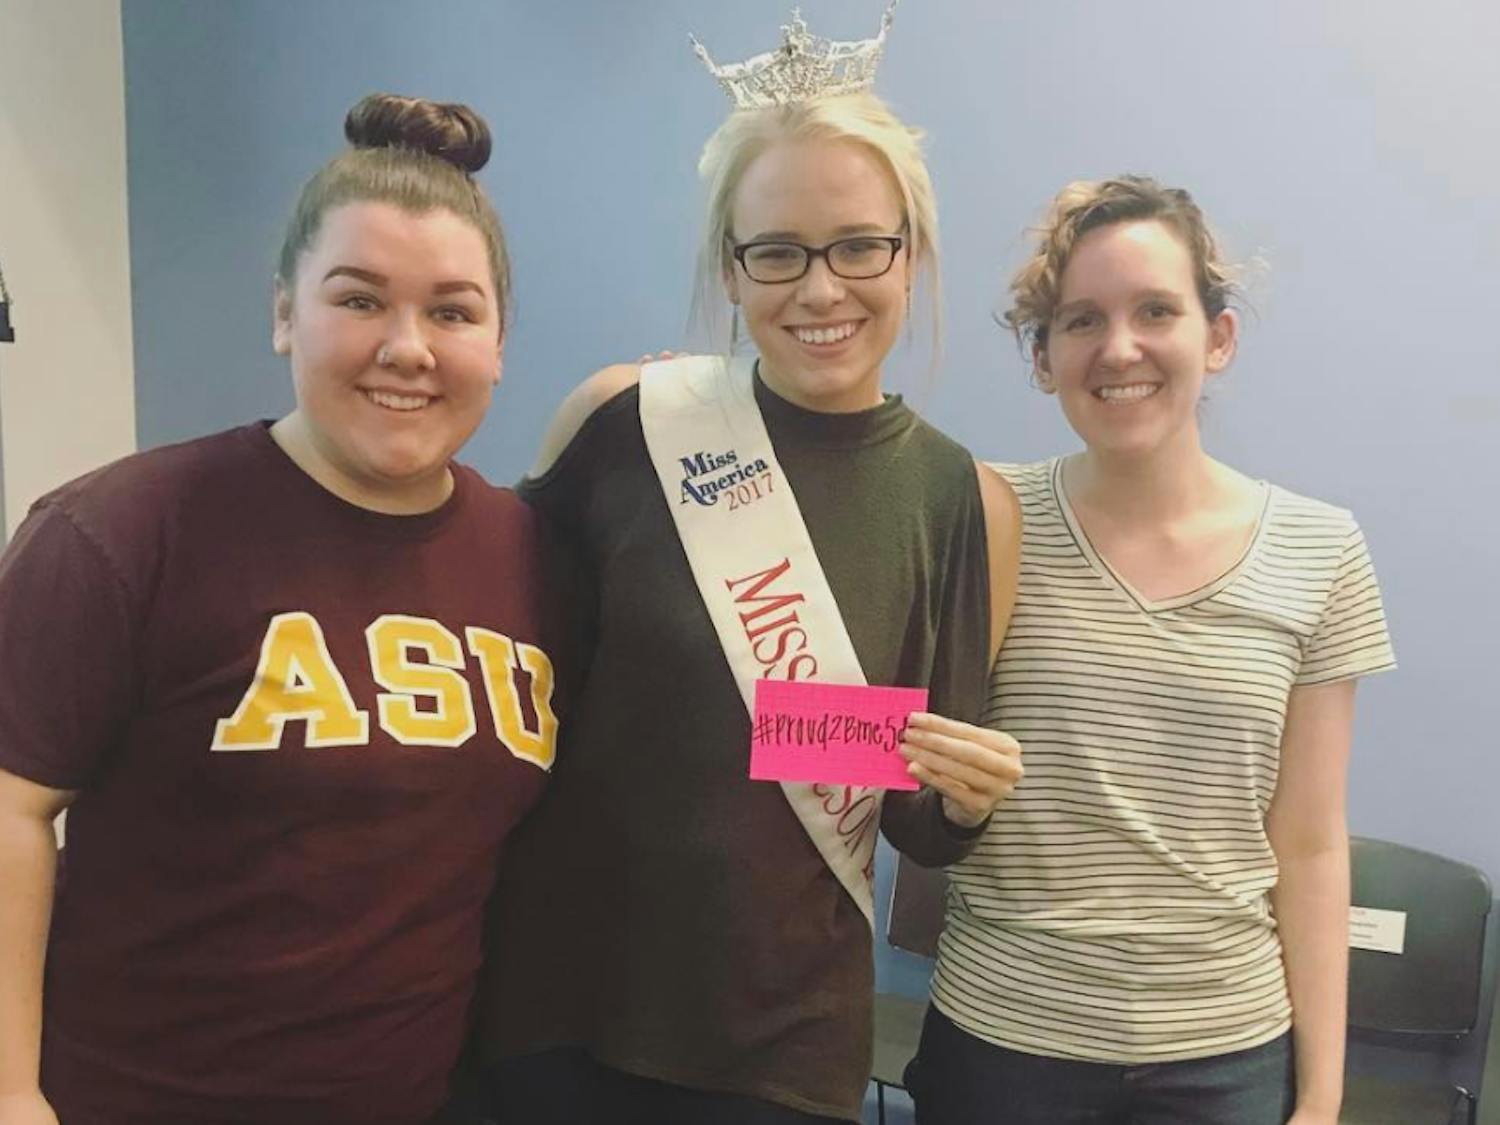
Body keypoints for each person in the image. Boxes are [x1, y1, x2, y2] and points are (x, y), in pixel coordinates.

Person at [477, 9, 1024, 1125]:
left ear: (911, 255)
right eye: (776, 251)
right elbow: (505, 688)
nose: (820, 290)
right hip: (559, 1003)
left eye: (859, 245)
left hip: (781, 1042)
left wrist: (965, 801)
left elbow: (918, 823)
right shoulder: (627, 423)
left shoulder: (959, 498)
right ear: (729, 271)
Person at [0, 93, 568, 1125]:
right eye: (359, 299)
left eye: (452, 311)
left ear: (498, 342)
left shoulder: (532, 554)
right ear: (283, 313)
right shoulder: (122, 531)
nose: (408, 348)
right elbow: (12, 808)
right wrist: (10, 1090)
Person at [910, 175, 1396, 1125]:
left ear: (1218, 337)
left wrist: (1321, 1096)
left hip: (1225, 1061)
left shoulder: (1321, 549)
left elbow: (1309, 842)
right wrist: (701, 411)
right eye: (1081, 320)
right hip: (1004, 1046)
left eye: (1156, 311)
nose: (1119, 347)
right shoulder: (978, 515)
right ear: (1043, 357)